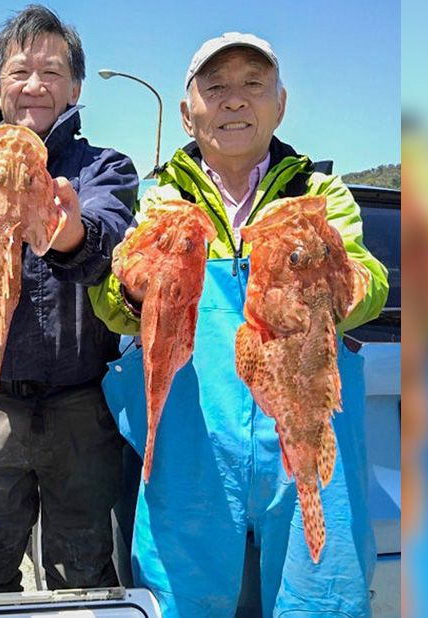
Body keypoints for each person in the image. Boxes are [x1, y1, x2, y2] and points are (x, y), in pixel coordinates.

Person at [91, 32, 389, 616]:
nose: (234, 100)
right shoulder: (160, 200)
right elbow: (111, 302)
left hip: (303, 435)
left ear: (280, 104)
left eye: (253, 84)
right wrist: (134, 283)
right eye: (216, 87)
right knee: (180, 602)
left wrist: (329, 274)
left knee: (319, 600)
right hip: (190, 450)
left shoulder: (320, 195)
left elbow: (371, 286)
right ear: (186, 113)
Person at [0, 4, 138, 593]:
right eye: (20, 71)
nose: (35, 86)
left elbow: (105, 237)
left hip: (80, 407)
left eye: (52, 72)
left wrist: (64, 229)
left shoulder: (104, 167)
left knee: (81, 568)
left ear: (75, 87)